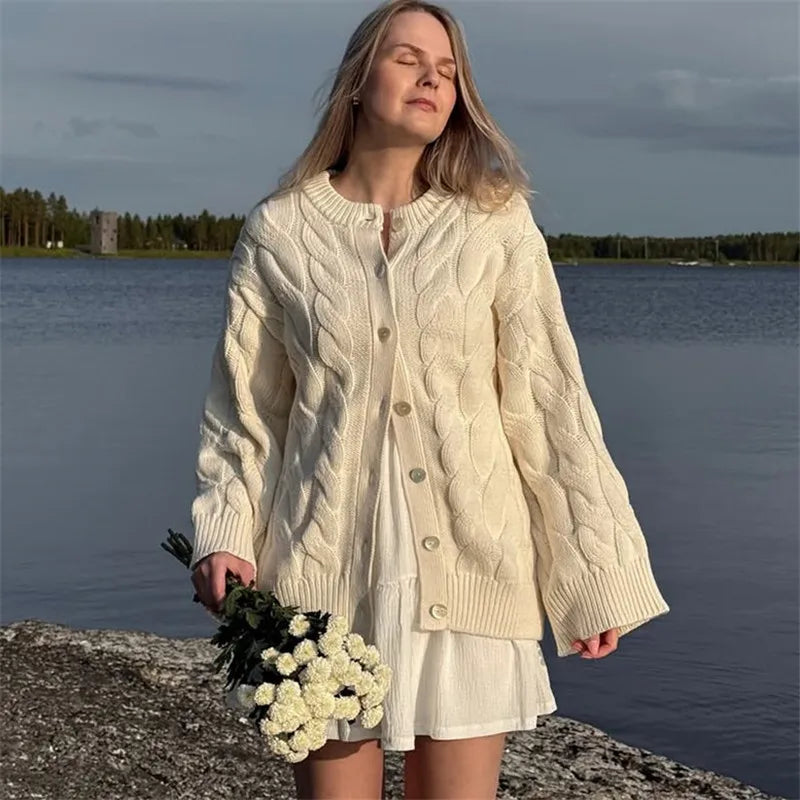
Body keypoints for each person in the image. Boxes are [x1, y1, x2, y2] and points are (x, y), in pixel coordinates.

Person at [189, 1, 671, 798]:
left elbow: (550, 407)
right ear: (357, 78)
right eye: (410, 59)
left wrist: (591, 572)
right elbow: (247, 414)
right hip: (321, 584)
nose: (432, 80)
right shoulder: (279, 231)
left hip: (474, 574)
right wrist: (225, 534)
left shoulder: (494, 225)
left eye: (447, 71)